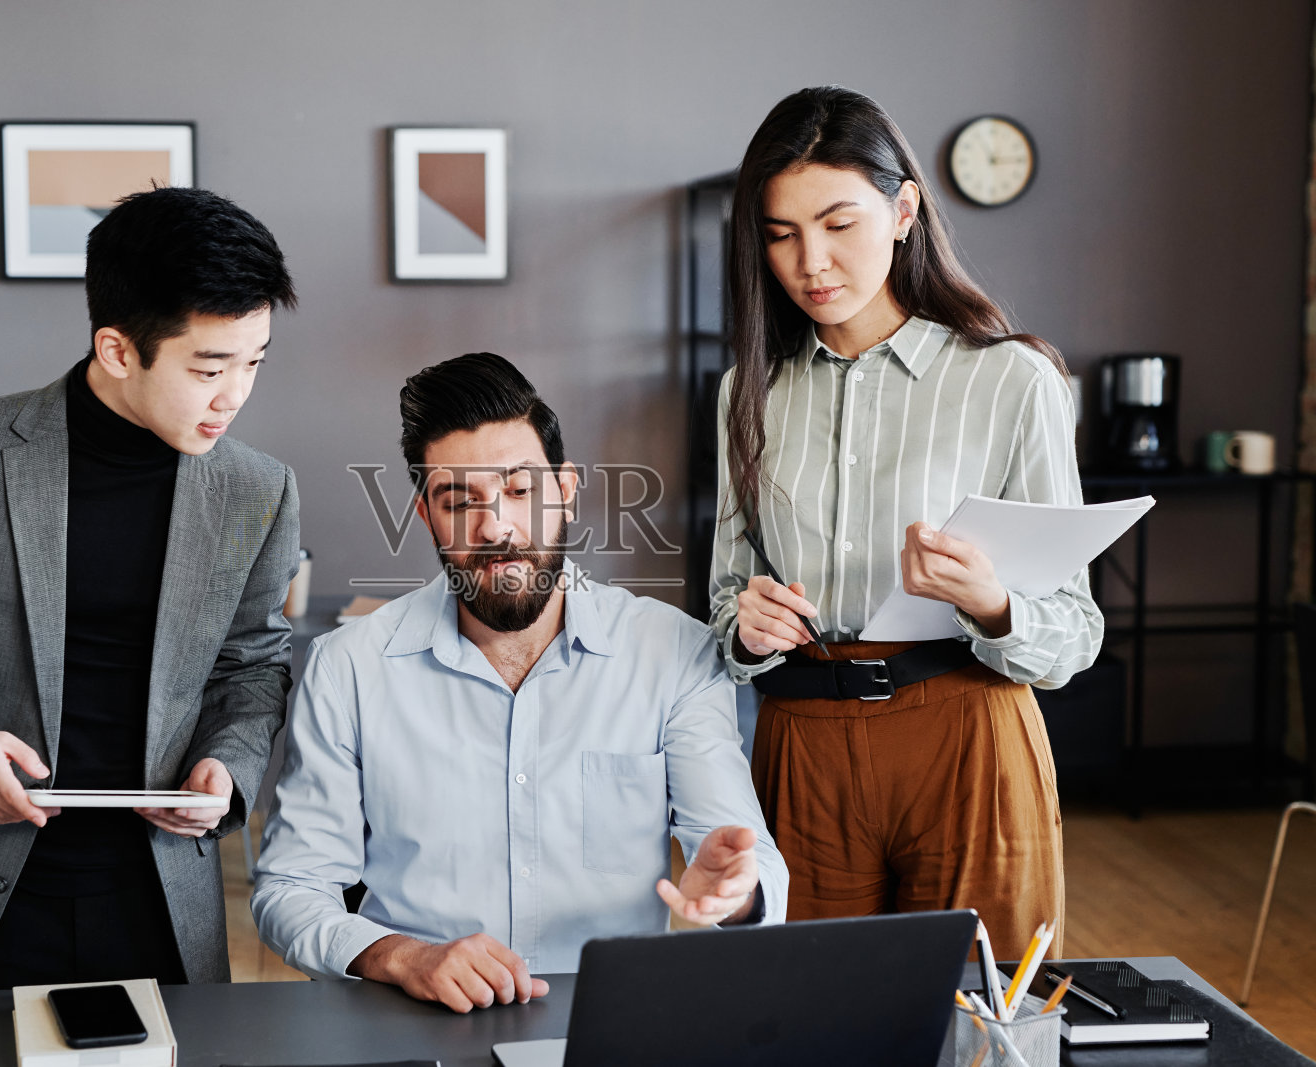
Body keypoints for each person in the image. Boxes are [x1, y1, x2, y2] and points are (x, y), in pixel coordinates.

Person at [0, 186, 301, 1016]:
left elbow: (253, 666)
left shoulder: (259, 487)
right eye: (209, 368)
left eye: (254, 361)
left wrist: (230, 764)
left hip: (155, 894)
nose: (235, 395)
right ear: (118, 348)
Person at [253, 353, 787, 1013]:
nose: (496, 527)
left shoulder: (670, 652)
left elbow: (752, 861)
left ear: (565, 489)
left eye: (518, 489)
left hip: (606, 1025)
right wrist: (402, 955)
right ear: (425, 516)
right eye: (460, 501)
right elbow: (290, 888)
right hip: (413, 1024)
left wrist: (735, 895)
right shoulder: (348, 667)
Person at [709, 87, 1100, 961]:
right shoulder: (748, 391)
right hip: (801, 744)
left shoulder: (1013, 381)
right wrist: (745, 626)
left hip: (967, 734)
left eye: (839, 223)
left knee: (978, 1028)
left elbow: (1074, 634)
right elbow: (725, 597)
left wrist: (994, 602)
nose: (812, 261)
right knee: (801, 1024)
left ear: (903, 210)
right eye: (781, 234)